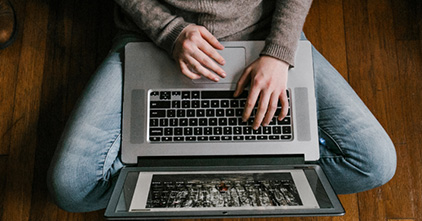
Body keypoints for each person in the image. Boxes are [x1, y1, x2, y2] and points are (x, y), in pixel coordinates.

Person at [47, 0, 397, 212]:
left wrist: (279, 52)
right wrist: (170, 31)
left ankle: (189, 184)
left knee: (375, 162)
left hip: (260, 36)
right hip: (152, 39)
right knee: (71, 187)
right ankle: (218, 180)